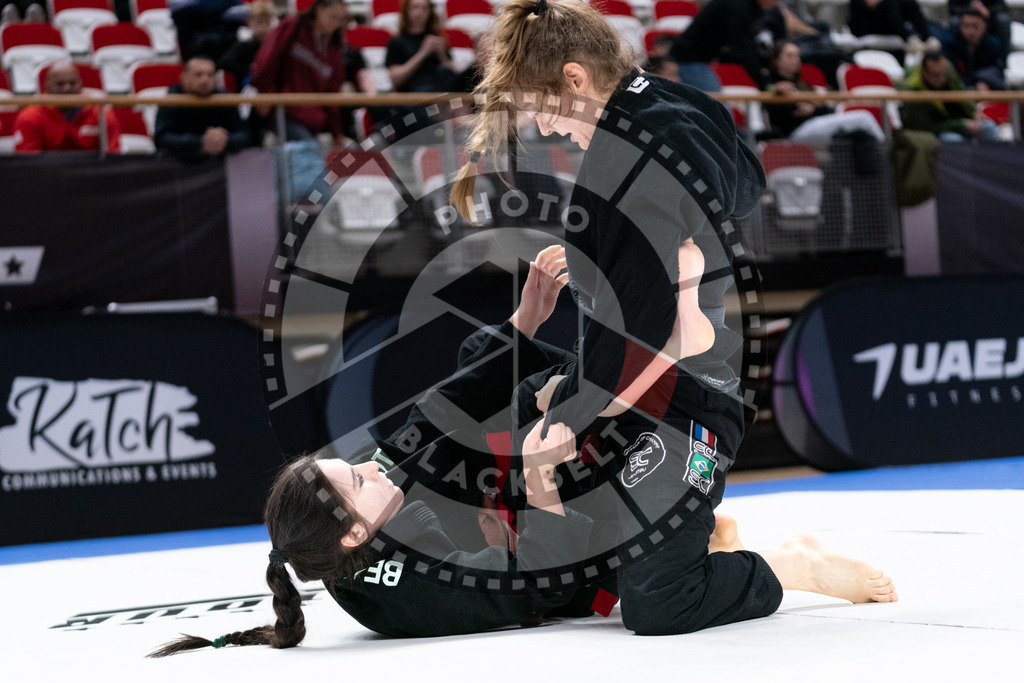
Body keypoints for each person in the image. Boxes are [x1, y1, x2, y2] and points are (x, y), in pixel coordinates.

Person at [148, 246, 897, 653]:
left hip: (551, 498)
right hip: (560, 537)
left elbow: (431, 420)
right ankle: (778, 563)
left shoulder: (366, 511)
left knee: (499, 365)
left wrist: (522, 321)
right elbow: (529, 582)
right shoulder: (405, 593)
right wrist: (540, 488)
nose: (372, 462)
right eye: (357, 477)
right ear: (354, 532)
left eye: (354, 461)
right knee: (656, 604)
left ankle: (656, 361)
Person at [452, 0, 897, 636]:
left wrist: (570, 414)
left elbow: (647, 340)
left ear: (576, 81)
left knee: (658, 600)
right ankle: (689, 531)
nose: (548, 130)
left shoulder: (630, 169)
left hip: (688, 397)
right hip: (650, 364)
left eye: (544, 110)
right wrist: (600, 269)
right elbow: (746, 184)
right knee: (514, 392)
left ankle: (789, 566)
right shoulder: (672, 101)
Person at [250, 0, 349, 144]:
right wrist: (265, 91)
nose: (335, 23)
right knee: (308, 152)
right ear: (318, 10)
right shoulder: (293, 27)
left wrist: (336, 131)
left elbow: (332, 92)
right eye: (332, 16)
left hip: (314, 119)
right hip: (284, 112)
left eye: (339, 20)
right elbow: (267, 58)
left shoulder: (334, 48)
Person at [763, 39, 884, 144]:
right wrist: (796, 104)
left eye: (797, 56)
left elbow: (825, 108)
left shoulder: (803, 85)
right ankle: (885, 150)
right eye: (790, 56)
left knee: (861, 135)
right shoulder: (769, 83)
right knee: (864, 117)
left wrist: (812, 109)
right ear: (776, 60)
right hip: (793, 132)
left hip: (814, 126)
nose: (796, 60)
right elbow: (774, 110)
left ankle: (876, 158)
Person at [13, 61, 120, 153]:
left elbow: (113, 157)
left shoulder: (101, 113)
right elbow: (27, 165)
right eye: (60, 84)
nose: (67, 89)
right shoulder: (30, 116)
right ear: (47, 86)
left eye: (72, 83)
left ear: (80, 84)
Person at [154, 56, 249, 159]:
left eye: (210, 75)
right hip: (179, 164)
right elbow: (161, 139)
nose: (205, 80)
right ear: (184, 77)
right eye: (198, 75)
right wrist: (200, 142)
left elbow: (244, 135)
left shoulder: (225, 98)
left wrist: (225, 140)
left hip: (220, 164)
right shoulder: (172, 99)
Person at [670, 0, 778, 90]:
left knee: (718, 107)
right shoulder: (739, 7)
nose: (775, 4)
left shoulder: (743, 6)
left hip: (697, 60)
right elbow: (743, 50)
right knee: (715, 108)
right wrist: (765, 84)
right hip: (689, 60)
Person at [902, 50, 998, 141]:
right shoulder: (913, 90)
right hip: (938, 131)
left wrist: (973, 112)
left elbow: (961, 92)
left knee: (990, 127)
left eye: (944, 74)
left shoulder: (948, 69)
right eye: (936, 75)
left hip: (962, 122)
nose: (941, 79)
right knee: (954, 139)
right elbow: (927, 127)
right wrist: (961, 123)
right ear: (924, 72)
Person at [385, 0, 460, 94]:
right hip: (416, 95)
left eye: (424, 8)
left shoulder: (438, 38)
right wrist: (423, 53)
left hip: (442, 92)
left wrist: (442, 56)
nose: (420, 13)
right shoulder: (396, 42)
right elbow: (396, 79)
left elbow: (454, 74)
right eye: (415, 7)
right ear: (406, 10)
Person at [940, 8, 1006, 90]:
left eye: (975, 27)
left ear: (984, 26)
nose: (970, 31)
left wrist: (984, 81)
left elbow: (997, 70)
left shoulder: (992, 45)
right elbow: (948, 73)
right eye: (966, 26)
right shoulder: (949, 44)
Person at [217, 0, 277, 89]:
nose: (263, 28)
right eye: (259, 22)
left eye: (267, 23)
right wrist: (249, 70)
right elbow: (225, 62)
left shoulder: (275, 46)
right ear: (249, 23)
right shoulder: (244, 45)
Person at [848, 0, 933, 45]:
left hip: (889, 22)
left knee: (910, 3)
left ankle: (927, 38)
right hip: (865, 24)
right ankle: (909, 39)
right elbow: (870, 3)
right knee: (890, 3)